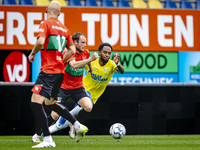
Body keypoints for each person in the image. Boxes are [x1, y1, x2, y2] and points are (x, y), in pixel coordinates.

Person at [28, 1, 88, 148]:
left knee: (35, 103)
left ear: (46, 10)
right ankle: (77, 124)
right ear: (59, 14)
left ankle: (47, 139)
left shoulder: (45, 23)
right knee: (50, 103)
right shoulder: (65, 29)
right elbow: (73, 51)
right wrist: (61, 60)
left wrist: (32, 53)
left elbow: (41, 42)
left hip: (48, 71)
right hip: (59, 72)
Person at [32, 32, 99, 142]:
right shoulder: (69, 52)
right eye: (82, 42)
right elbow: (74, 65)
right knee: (54, 115)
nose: (85, 45)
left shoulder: (86, 53)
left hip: (78, 87)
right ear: (75, 42)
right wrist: (91, 60)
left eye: (85, 42)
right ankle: (37, 134)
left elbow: (88, 65)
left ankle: (73, 125)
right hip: (62, 88)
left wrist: (90, 68)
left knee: (88, 106)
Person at [48, 42, 125, 138]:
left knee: (87, 109)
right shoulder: (92, 61)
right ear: (99, 52)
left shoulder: (111, 65)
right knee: (84, 106)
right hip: (82, 89)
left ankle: (68, 124)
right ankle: (69, 122)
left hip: (95, 96)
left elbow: (122, 71)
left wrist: (118, 63)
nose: (107, 55)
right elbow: (78, 65)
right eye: (105, 52)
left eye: (109, 53)